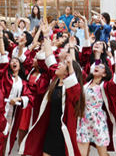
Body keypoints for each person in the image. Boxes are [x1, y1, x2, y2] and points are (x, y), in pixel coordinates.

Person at [19, 23, 84, 156]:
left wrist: (70, 64)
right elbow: (49, 58)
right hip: (50, 130)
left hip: (63, 134)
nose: (58, 64)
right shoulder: (55, 79)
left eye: (62, 64)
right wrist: (46, 35)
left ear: (67, 72)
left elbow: (76, 91)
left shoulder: (71, 88)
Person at [77, 61, 116, 156]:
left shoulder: (105, 86)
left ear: (104, 74)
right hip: (83, 120)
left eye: (101, 67)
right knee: (81, 153)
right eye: (97, 66)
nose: (97, 67)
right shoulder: (86, 84)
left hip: (98, 121)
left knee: (102, 153)